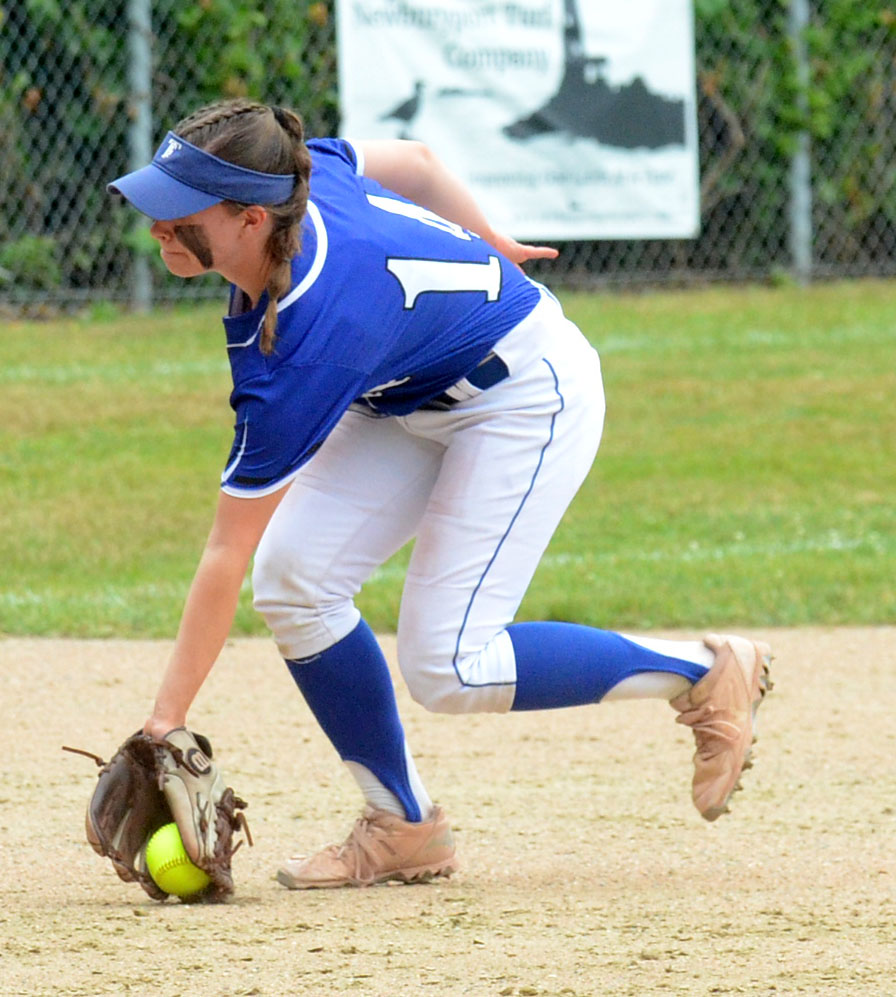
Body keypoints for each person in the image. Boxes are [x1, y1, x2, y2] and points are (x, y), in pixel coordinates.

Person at [107, 98, 773, 890]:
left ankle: (702, 669)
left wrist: (164, 720)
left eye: (181, 214)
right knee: (296, 580)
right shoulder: (297, 176)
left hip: (523, 396)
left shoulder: (309, 344)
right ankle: (404, 824)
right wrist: (487, 242)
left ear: (251, 220)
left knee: (451, 664)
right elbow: (417, 162)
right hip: (408, 393)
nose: (159, 227)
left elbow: (225, 550)